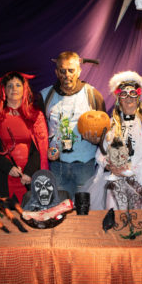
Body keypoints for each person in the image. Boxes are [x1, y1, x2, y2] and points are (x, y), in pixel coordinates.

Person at [85, 71, 142, 210]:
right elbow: (101, 153)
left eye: (133, 93)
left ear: (139, 96)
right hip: (117, 182)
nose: (128, 98)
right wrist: (109, 165)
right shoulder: (111, 124)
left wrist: (132, 169)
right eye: (124, 94)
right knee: (117, 218)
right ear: (118, 98)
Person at [39, 51, 105, 200]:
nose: (67, 75)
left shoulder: (93, 95)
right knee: (60, 209)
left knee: (84, 209)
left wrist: (98, 140)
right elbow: (37, 133)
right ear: (56, 72)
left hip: (85, 165)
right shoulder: (44, 96)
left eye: (71, 70)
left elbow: (105, 132)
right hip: (57, 166)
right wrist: (45, 150)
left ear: (79, 71)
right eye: (62, 71)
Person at [0, 71, 48, 203]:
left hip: (28, 178)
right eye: (10, 86)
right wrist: (8, 168)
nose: (14, 89)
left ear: (24, 89)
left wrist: (29, 172)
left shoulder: (35, 115)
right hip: (3, 175)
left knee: (30, 211)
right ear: (4, 90)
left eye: (18, 85)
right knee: (5, 212)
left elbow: (40, 149)